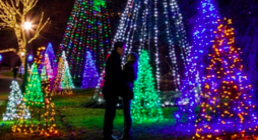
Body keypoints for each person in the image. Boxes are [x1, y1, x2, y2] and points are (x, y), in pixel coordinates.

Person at [102, 42, 125, 140]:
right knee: (110, 113)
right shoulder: (114, 59)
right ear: (118, 48)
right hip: (111, 90)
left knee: (110, 113)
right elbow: (115, 75)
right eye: (123, 48)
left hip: (110, 89)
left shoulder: (113, 58)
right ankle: (107, 134)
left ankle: (108, 133)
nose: (123, 50)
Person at [121, 53, 138, 139]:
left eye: (132, 57)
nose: (130, 58)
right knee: (126, 112)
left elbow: (130, 78)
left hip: (127, 91)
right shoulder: (128, 66)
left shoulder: (130, 67)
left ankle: (126, 133)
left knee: (127, 113)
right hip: (126, 91)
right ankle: (126, 132)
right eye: (129, 56)